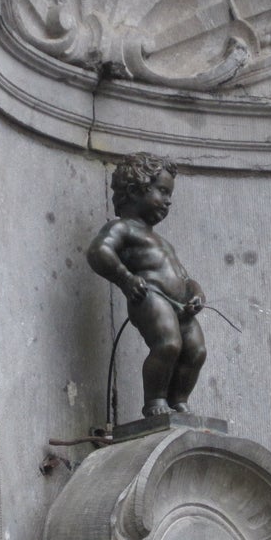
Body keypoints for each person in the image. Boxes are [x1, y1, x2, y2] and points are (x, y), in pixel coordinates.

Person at [87, 152, 206, 418]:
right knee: (168, 344)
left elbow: (184, 276)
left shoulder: (162, 241)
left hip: (181, 306)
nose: (168, 201)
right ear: (134, 190)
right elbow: (98, 252)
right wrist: (125, 278)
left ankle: (179, 402)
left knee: (196, 351)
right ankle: (155, 400)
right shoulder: (122, 228)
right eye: (162, 191)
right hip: (149, 296)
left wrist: (196, 292)